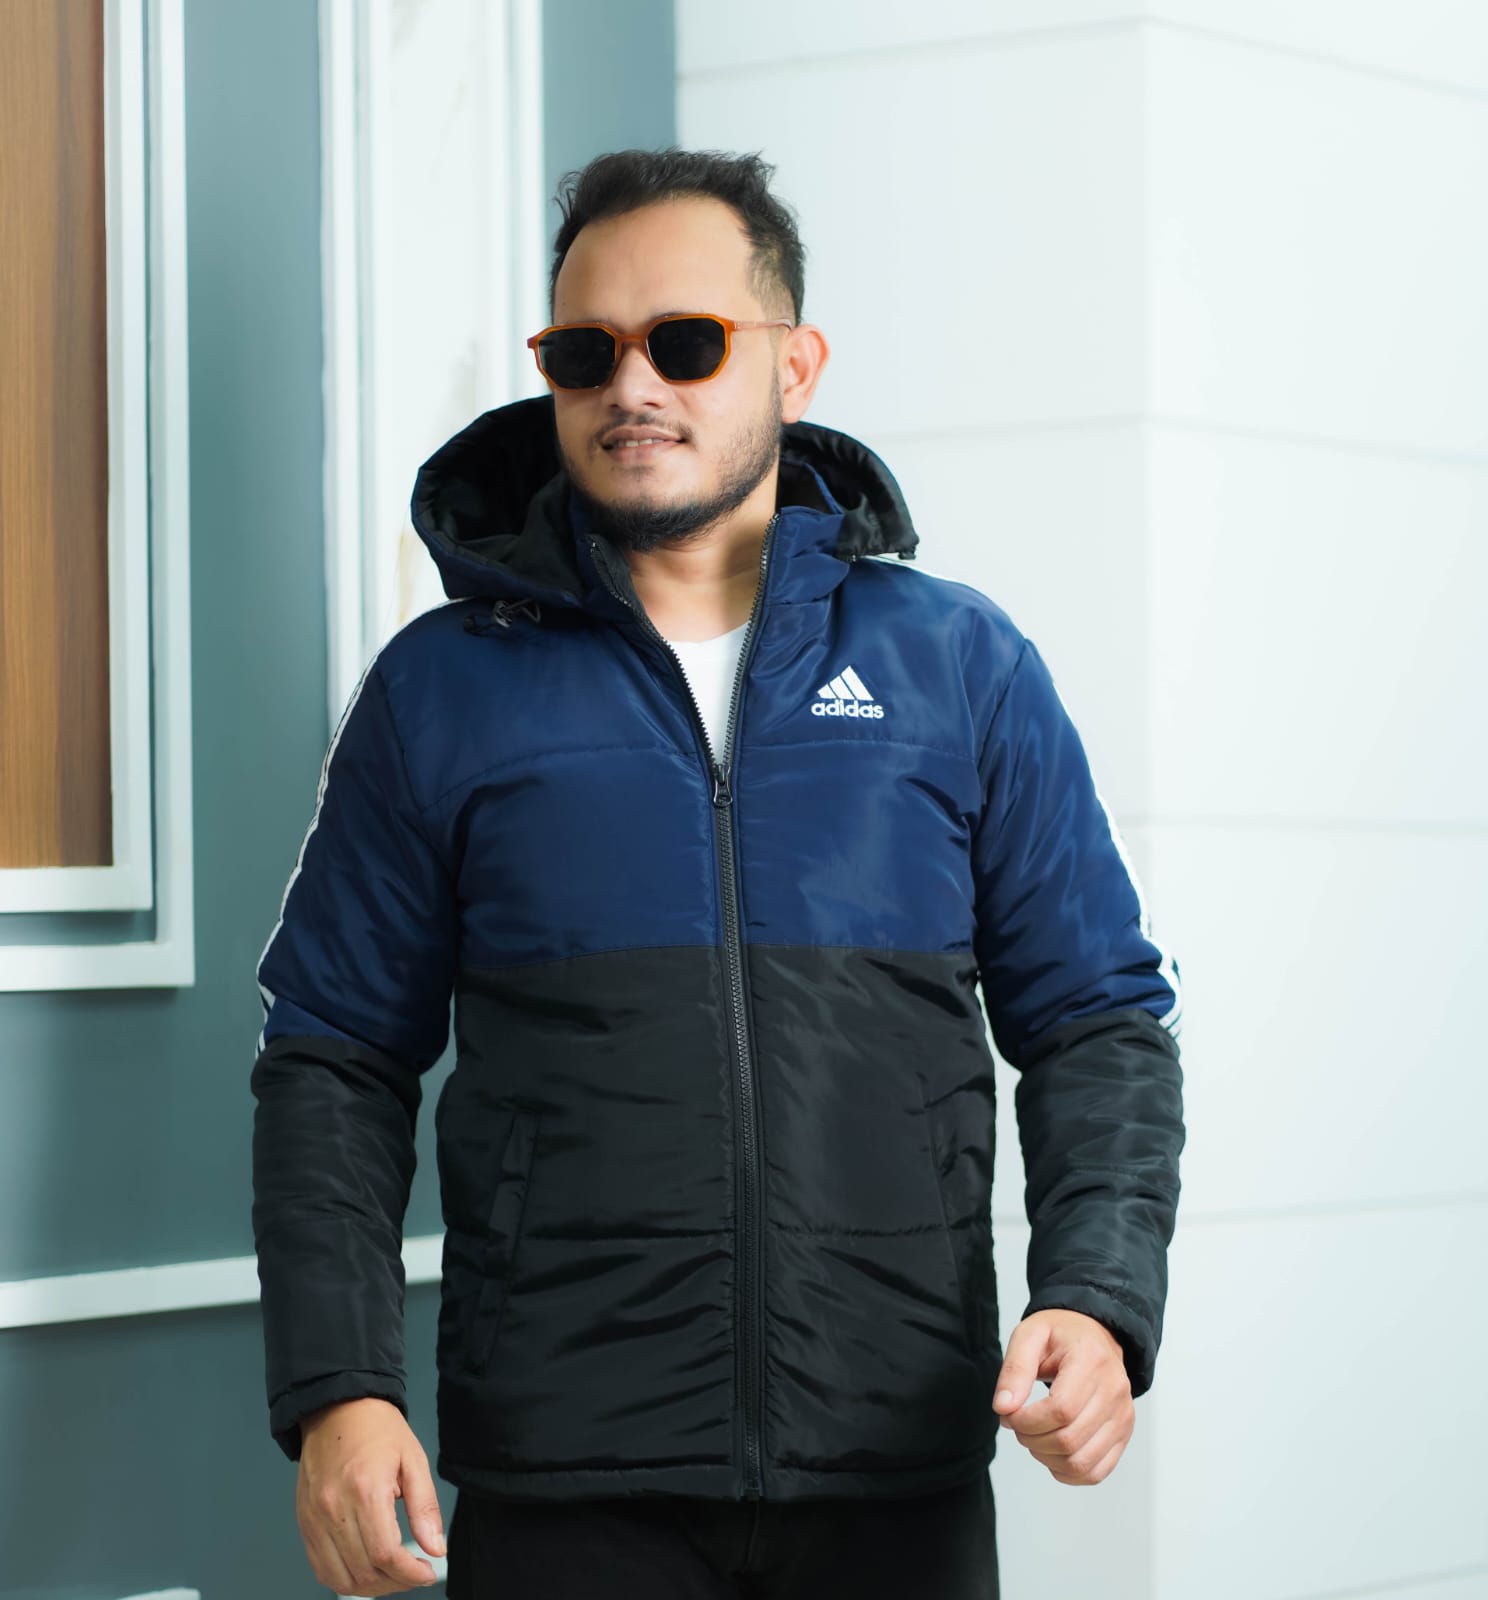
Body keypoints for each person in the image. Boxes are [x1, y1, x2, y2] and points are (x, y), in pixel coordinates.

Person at [250, 146, 1185, 1599]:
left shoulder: (958, 666)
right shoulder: (440, 693)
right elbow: (333, 1060)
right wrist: (339, 1389)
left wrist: (1100, 1296)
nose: (632, 386)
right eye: (584, 352)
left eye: (685, 343)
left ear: (794, 365)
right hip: (567, 1485)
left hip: (895, 1471)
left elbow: (1099, 1021)